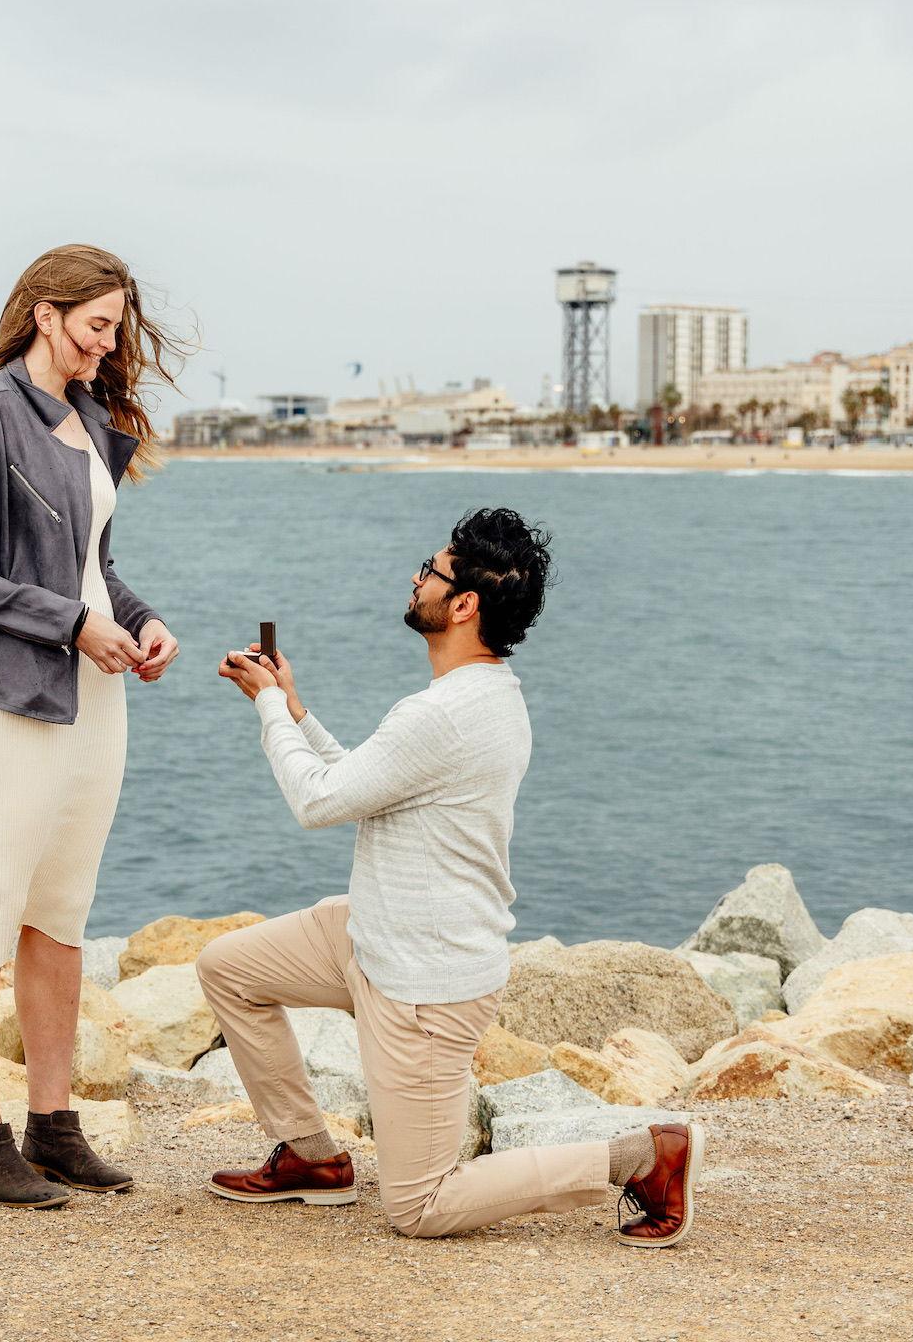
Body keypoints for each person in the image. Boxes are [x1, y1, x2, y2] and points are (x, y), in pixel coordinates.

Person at [201, 508, 704, 1245]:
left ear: (464, 603)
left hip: (423, 983)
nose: (415, 577)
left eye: (430, 571)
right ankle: (312, 1157)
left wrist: (270, 707)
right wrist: (298, 712)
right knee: (227, 969)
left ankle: (640, 1159)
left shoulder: (441, 716)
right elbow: (367, 780)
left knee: (421, 1207)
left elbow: (318, 801)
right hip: (371, 935)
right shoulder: (484, 697)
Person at [0, 243, 187, 1208]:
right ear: (45, 312)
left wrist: (140, 618)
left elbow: (91, 567)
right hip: (5, 705)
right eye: (97, 326)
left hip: (95, 705)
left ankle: (54, 1128)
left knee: (61, 918)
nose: (111, 347)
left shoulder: (93, 419)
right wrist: (72, 624)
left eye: (118, 329)